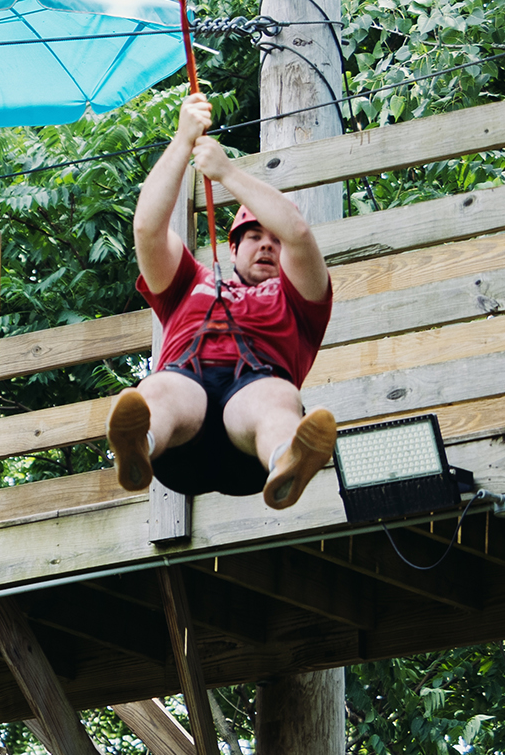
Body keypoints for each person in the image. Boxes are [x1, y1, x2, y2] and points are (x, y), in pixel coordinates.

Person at [110, 90, 337, 510]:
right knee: (158, 389)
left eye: (273, 239)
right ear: (233, 248)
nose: (266, 245)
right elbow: (147, 229)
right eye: (254, 236)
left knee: (275, 398)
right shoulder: (187, 283)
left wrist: (227, 172)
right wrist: (182, 141)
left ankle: (286, 458)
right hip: (182, 435)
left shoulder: (300, 299)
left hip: (246, 441)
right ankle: (140, 443)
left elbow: (298, 233)